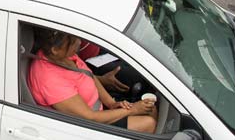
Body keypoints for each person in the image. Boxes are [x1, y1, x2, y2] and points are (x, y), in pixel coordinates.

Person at [27, 27, 156, 132]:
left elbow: (88, 75)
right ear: (55, 49)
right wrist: (132, 110)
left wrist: (111, 103)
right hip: (89, 126)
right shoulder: (50, 80)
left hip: (100, 110)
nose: (79, 42)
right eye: (73, 42)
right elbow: (90, 118)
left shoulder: (62, 57)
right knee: (148, 123)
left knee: (151, 108)